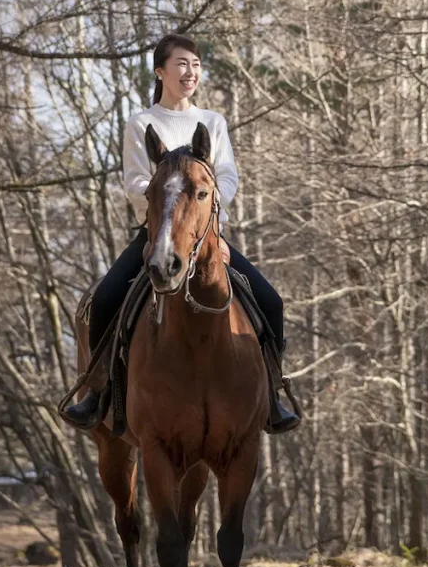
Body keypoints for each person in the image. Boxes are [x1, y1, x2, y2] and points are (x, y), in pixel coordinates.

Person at [61, 33, 301, 433]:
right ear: (161, 71)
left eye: (196, 65)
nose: (190, 73)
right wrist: (167, 211)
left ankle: (272, 396)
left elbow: (226, 176)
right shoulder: (141, 124)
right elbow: (136, 182)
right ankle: (97, 393)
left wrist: (207, 219)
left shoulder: (213, 123)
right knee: (104, 299)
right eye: (182, 65)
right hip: (155, 235)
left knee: (271, 303)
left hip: (206, 235)